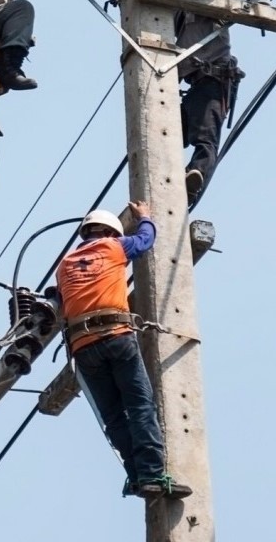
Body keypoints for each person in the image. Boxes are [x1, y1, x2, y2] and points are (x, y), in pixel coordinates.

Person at [56, 203, 192, 500]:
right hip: (115, 336)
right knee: (140, 405)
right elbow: (145, 240)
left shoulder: (64, 265)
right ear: (109, 232)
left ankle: (137, 476)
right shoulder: (112, 247)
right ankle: (152, 474)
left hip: (83, 347)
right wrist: (145, 216)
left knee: (115, 417)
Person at [143, 0, 245, 203]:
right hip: (193, 86)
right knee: (163, 132)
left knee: (206, 139)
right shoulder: (178, 6)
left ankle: (195, 177)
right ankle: (167, 183)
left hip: (215, 81)